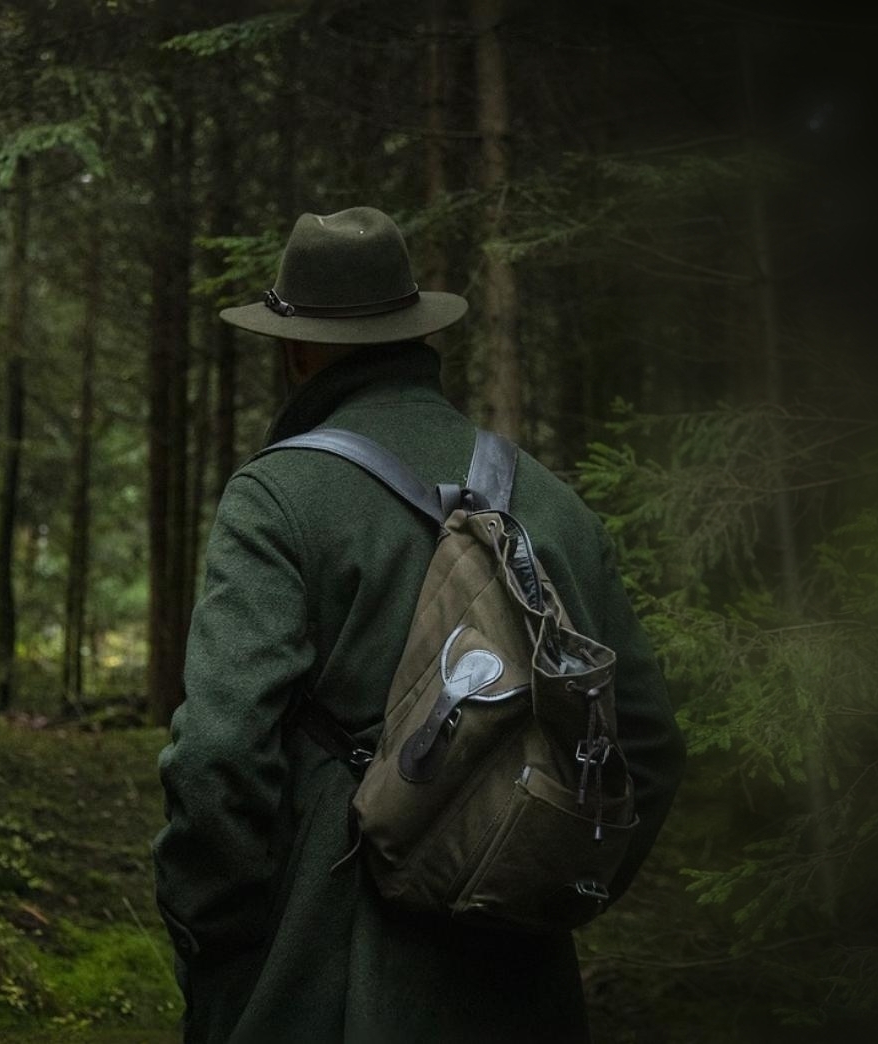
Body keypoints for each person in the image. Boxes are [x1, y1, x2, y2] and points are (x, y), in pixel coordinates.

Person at [153, 207, 686, 1043]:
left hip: (321, 971)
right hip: (523, 985)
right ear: (415, 334)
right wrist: (547, 879)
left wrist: (215, 931)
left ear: (298, 351)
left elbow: (219, 755)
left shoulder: (277, 497)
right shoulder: (554, 503)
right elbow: (646, 742)